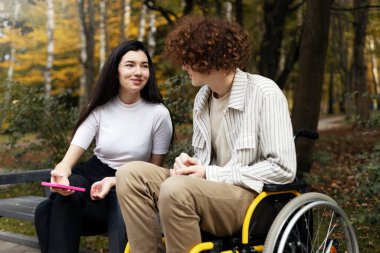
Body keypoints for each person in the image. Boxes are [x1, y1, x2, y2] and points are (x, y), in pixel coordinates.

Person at [116, 16, 296, 253]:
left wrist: (209, 173)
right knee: (130, 174)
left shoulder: (264, 93)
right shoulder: (203, 98)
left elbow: (283, 169)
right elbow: (205, 165)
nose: (183, 66)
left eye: (188, 59)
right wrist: (190, 165)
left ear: (210, 59)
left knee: (176, 189)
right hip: (210, 191)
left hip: (252, 200)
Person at [34, 40, 173, 253]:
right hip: (93, 173)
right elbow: (68, 159)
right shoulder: (99, 108)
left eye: (144, 66)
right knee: (64, 195)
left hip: (129, 185)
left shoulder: (158, 114)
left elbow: (154, 174)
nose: (138, 72)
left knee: (46, 210)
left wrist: (115, 181)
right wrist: (61, 173)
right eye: (130, 65)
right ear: (115, 69)